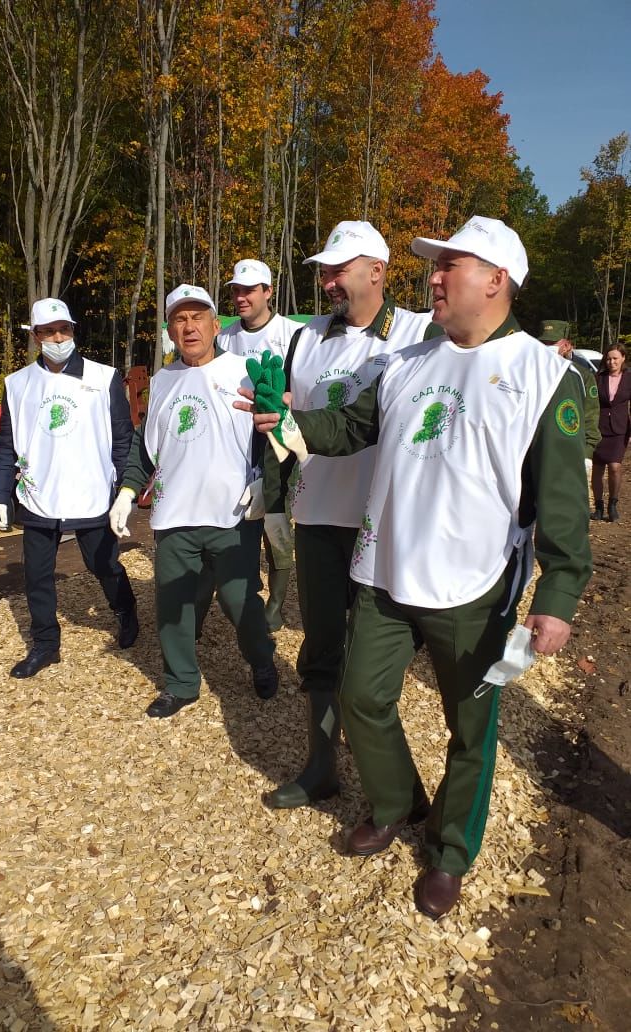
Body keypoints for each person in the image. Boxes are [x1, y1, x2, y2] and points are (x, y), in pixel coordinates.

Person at [247, 216, 592, 918]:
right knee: (362, 699)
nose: (433, 277)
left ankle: (450, 852)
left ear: (496, 281)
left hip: (475, 586)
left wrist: (557, 592)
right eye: (434, 267)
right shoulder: (407, 362)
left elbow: (562, 503)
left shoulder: (543, 375)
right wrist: (289, 426)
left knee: (471, 731)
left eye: (451, 266)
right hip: (384, 569)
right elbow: (351, 428)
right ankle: (398, 801)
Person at [260, 221, 434, 810]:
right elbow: (284, 420)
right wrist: (275, 500)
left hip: (382, 522)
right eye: (324, 271)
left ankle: (398, 787)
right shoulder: (306, 337)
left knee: (372, 666)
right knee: (322, 649)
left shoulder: (418, 334)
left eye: (339, 269)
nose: (328, 281)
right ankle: (320, 768)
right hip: (316, 515)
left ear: (378, 270)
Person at [109, 284, 278, 718]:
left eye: (197, 317)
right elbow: (146, 449)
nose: (189, 327)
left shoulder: (246, 372)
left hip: (233, 514)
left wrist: (266, 484)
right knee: (173, 604)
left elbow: (273, 433)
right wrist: (127, 492)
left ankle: (261, 659)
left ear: (215, 324)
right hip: (174, 515)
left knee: (241, 603)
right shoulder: (163, 381)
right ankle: (181, 683)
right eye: (179, 319)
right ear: (169, 330)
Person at [0, 298, 138, 678]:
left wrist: (125, 490)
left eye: (65, 329)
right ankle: (45, 644)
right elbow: (6, 443)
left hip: (91, 491)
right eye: (49, 331)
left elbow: (123, 439)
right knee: (37, 573)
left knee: (102, 563)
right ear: (36, 336)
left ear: (72, 331)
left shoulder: (103, 378)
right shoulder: (18, 384)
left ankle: (125, 611)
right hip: (39, 494)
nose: (58, 337)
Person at [214, 259, 305, 631]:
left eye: (249, 290)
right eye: (236, 290)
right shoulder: (224, 337)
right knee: (239, 516)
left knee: (276, 519)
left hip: (276, 442)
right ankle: (243, 587)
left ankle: (277, 602)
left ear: (268, 291)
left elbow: (300, 390)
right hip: (234, 440)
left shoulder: (292, 333)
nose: (240, 297)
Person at [539, 319, 600, 460]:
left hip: (570, 450)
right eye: (543, 343)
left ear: (566, 346)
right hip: (538, 452)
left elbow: (590, 416)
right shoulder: (530, 372)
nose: (546, 347)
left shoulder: (581, 375)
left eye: (551, 343)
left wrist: (587, 454)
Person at [591, 344, 631, 522]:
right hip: (598, 429)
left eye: (615, 358)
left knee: (615, 467)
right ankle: (598, 506)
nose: (611, 361)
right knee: (597, 469)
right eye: (608, 358)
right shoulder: (598, 377)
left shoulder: (629, 378)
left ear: (623, 358)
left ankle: (612, 504)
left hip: (619, 429)